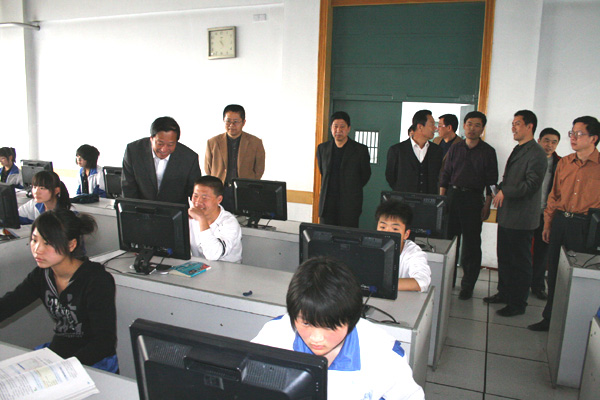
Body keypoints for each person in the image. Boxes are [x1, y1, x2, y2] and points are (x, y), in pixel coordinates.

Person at [252, 257, 424, 400]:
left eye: (329, 326)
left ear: (351, 319)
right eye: (306, 323)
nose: (316, 338)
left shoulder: (383, 354)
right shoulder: (273, 337)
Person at [0, 209, 118, 372]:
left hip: (94, 362)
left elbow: (104, 342)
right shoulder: (41, 275)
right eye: (34, 240)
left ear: (71, 245)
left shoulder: (96, 280)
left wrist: (65, 368)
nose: (37, 249)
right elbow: (9, 304)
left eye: (48, 243)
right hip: (59, 354)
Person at [529, 116, 600, 331]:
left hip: (586, 225)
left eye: (579, 134)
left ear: (594, 138)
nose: (573, 137)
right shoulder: (565, 162)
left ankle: (575, 324)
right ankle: (550, 318)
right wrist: (548, 223)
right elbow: (554, 196)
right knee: (554, 272)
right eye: (572, 133)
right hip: (560, 221)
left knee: (580, 274)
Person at [484, 110, 547, 317]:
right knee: (505, 258)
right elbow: (510, 179)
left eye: (517, 123)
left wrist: (506, 191)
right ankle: (504, 293)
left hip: (522, 218)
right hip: (507, 215)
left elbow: (531, 184)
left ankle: (518, 303)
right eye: (513, 123)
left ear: (530, 126)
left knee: (519, 262)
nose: (513, 128)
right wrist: (498, 188)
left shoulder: (537, 153)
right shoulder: (519, 149)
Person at [439, 111, 498, 300]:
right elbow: (445, 175)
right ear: (464, 126)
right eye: (469, 124)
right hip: (453, 197)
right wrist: (442, 200)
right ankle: (448, 281)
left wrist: (487, 205)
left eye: (477, 125)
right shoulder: (455, 149)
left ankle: (468, 285)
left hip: (474, 199)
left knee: (471, 245)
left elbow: (492, 182)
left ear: (482, 129)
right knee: (449, 242)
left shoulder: (488, 152)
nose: (472, 128)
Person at [122, 116, 202, 205]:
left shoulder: (189, 158)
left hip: (175, 210)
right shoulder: (134, 151)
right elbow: (128, 188)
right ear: (151, 139)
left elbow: (195, 192)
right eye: (160, 144)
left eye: (170, 145)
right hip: (141, 209)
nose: (164, 149)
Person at [205, 104, 266, 211]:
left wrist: (249, 186)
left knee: (242, 219)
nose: (231, 125)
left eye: (236, 122)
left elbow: (259, 169)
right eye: (228, 121)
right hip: (220, 191)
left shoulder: (255, 142)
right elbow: (208, 168)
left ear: (243, 122)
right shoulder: (213, 142)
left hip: (244, 191)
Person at [317, 111, 371, 228]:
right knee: (326, 235)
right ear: (331, 128)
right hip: (327, 205)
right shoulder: (322, 149)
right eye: (335, 126)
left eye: (342, 126)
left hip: (349, 205)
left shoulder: (360, 150)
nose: (338, 130)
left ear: (348, 129)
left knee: (347, 236)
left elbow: (365, 175)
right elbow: (323, 171)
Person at [530, 128, 561, 300]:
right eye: (546, 140)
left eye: (554, 142)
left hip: (546, 214)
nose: (550, 145)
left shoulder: (560, 164)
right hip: (528, 212)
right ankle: (520, 284)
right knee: (523, 251)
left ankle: (538, 286)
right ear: (539, 140)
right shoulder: (530, 159)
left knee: (542, 253)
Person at [376, 200, 431, 292]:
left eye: (395, 229)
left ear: (406, 234)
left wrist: (380, 284)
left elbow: (422, 282)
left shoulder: (413, 253)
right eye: (382, 227)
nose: (387, 233)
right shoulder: (368, 246)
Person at [385, 109, 443, 194]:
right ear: (420, 127)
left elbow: (438, 176)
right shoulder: (397, 150)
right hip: (404, 199)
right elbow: (390, 177)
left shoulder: (437, 151)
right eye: (432, 124)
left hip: (429, 199)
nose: (435, 128)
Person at [188, 176, 242, 263]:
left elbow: (213, 255)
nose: (198, 202)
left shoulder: (229, 223)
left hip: (228, 269)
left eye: (204, 198)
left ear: (219, 199)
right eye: (195, 196)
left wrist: (202, 219)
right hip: (199, 267)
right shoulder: (190, 217)